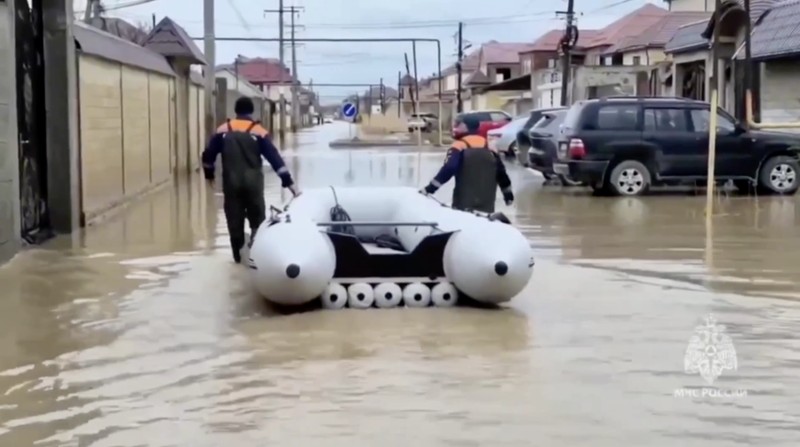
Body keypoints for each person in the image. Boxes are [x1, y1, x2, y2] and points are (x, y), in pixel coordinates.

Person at [202, 97, 300, 263]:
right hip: (254, 185)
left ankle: (238, 258)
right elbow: (275, 158)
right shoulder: (259, 131)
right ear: (251, 111)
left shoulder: (223, 130)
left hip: (231, 184)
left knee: (234, 221)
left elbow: (208, 155)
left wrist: (209, 174)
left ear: (235, 111)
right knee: (258, 220)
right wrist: (289, 183)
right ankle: (257, 257)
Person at [420, 115, 514, 213]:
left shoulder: (458, 146)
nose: (455, 127)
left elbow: (449, 168)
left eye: (459, 124)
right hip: (487, 204)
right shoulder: (488, 146)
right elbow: (501, 173)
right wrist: (508, 195)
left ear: (466, 127)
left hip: (464, 203)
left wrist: (430, 189)